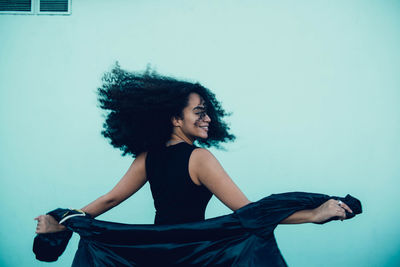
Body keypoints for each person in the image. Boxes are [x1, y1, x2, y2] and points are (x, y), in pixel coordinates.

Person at [34, 64, 353, 234]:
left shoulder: (148, 157)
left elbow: (109, 199)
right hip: (194, 251)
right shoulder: (200, 158)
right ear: (175, 118)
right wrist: (313, 214)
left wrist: (60, 221)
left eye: (207, 111)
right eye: (199, 112)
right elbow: (248, 213)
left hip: (157, 253)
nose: (208, 118)